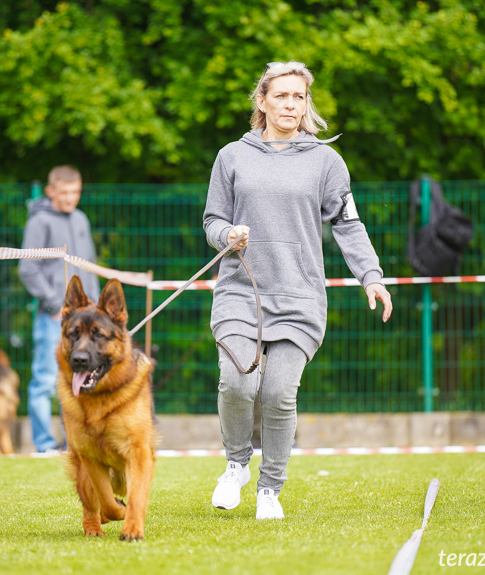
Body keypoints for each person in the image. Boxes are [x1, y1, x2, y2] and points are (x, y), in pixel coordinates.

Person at [203, 61, 393, 519]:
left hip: (299, 295)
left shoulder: (326, 161)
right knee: (237, 384)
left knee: (278, 394)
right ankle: (235, 465)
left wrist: (372, 275)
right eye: (282, 96)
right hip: (239, 290)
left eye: (299, 97)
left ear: (306, 104)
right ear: (262, 102)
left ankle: (270, 489)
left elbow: (348, 224)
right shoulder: (232, 156)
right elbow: (212, 222)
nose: (291, 104)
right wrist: (227, 235)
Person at [19, 165, 100, 453]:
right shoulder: (39, 222)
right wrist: (56, 304)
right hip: (54, 318)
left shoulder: (80, 218)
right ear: (50, 191)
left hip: (86, 321)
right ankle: (43, 445)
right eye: (64, 192)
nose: (70, 198)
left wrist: (96, 310)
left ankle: (74, 443)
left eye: (76, 192)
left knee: (80, 379)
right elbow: (28, 268)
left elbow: (88, 266)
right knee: (44, 379)